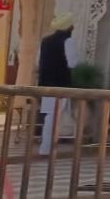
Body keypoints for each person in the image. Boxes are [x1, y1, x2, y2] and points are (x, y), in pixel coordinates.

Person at [37, 12, 78, 155]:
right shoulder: (68, 41)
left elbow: (39, 62)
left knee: (50, 116)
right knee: (55, 116)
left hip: (46, 83)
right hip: (61, 84)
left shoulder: (45, 41)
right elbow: (73, 63)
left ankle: (46, 147)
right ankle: (47, 148)